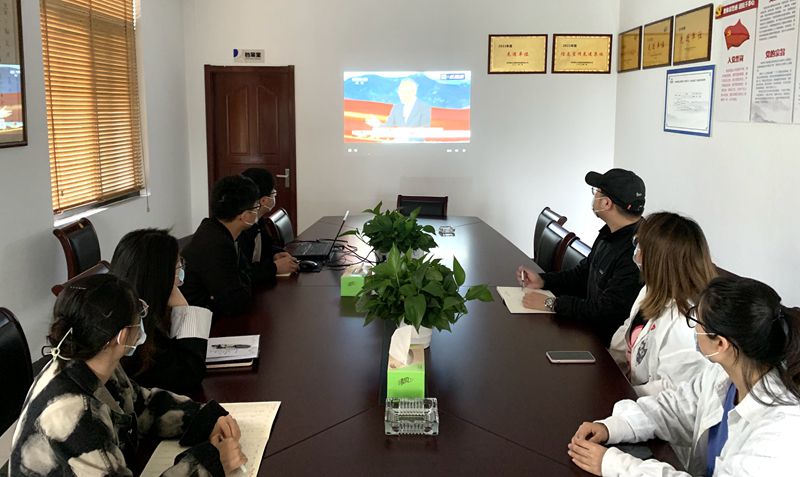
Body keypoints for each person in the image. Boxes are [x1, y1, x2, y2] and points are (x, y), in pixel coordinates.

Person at [9, 274, 247, 476]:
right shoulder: (73, 413)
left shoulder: (93, 360)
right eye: (139, 316)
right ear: (122, 336)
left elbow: (142, 405)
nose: (141, 323)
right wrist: (210, 464)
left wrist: (203, 418)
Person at [568, 276, 800, 476]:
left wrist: (616, 465)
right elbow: (674, 408)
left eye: (696, 321)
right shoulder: (723, 376)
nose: (693, 329)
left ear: (720, 344)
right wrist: (615, 426)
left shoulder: (781, 434)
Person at [518, 168, 646, 346]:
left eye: (597, 191)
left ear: (606, 203)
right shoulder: (610, 232)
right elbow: (582, 274)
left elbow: (606, 311)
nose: (594, 196)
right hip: (587, 329)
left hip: (606, 347)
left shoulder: (637, 253)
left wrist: (552, 303)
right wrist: (543, 280)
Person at [609, 212, 717, 397]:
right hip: (628, 394)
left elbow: (674, 389)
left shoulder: (684, 321)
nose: (636, 253)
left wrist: (622, 393)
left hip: (650, 406)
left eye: (641, 246)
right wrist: (605, 366)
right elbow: (627, 333)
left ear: (658, 259)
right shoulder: (651, 290)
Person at [111, 228, 212, 394]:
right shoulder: (136, 333)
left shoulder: (142, 310)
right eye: (178, 267)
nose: (180, 275)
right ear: (160, 277)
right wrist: (184, 309)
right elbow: (189, 376)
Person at [181, 174, 261, 315]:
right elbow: (237, 301)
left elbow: (247, 274)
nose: (257, 211)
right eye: (256, 207)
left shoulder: (215, 229)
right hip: (202, 320)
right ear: (244, 215)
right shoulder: (216, 244)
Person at [239, 167, 298, 284]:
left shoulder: (258, 219)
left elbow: (267, 245)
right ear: (264, 201)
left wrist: (276, 254)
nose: (275, 196)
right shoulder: (241, 227)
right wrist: (274, 267)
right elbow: (242, 274)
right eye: (273, 193)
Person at [367, 78, 432, 128]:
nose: (400, 95)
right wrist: (378, 125)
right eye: (399, 91)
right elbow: (388, 127)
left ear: (413, 92)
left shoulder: (424, 107)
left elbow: (425, 129)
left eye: (404, 92)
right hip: (398, 141)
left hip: (415, 142)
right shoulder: (396, 107)